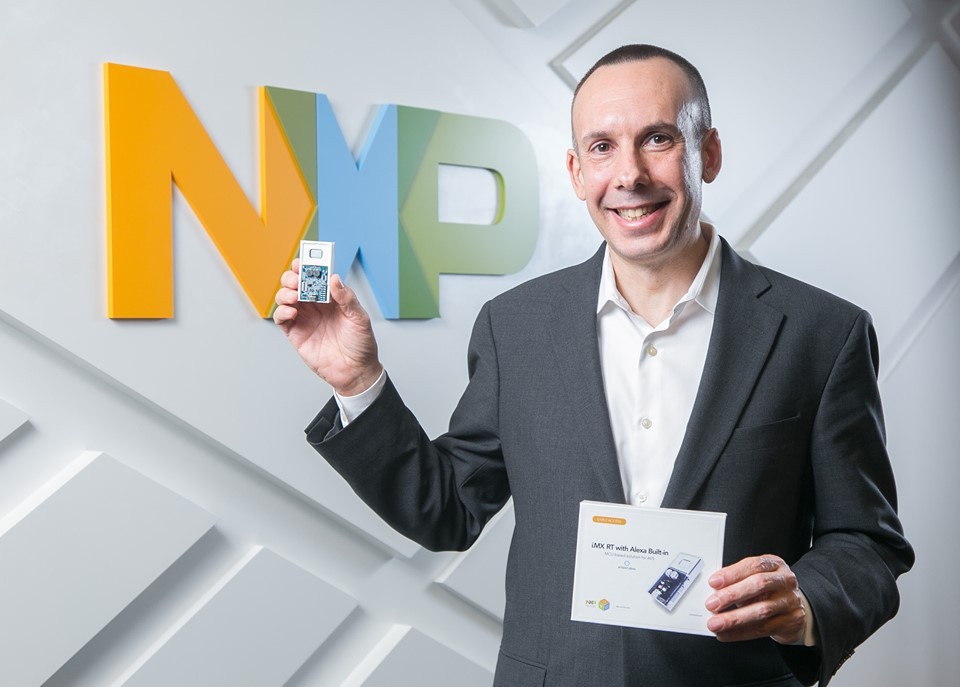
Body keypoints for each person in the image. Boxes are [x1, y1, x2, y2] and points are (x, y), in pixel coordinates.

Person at [274, 44, 913, 687]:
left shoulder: (822, 334)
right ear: (577, 172)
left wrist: (804, 604)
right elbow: (448, 509)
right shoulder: (514, 327)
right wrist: (357, 383)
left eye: (658, 139)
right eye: (602, 147)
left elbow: (868, 542)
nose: (629, 175)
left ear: (709, 153)